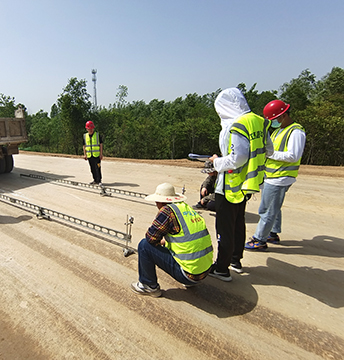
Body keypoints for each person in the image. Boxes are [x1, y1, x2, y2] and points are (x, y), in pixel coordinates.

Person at [208, 88, 274, 281]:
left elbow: (238, 158)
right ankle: (235, 260)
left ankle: (222, 268)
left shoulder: (237, 125)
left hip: (230, 184)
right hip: (248, 183)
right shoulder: (258, 121)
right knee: (238, 223)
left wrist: (216, 162)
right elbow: (268, 149)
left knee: (225, 227)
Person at [130, 183, 213, 297]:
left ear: (160, 201)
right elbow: (187, 238)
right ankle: (190, 279)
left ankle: (148, 285)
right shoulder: (186, 208)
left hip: (188, 275)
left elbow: (151, 238)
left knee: (144, 245)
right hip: (205, 270)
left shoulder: (167, 212)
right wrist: (165, 241)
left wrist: (159, 241)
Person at [245, 100, 306, 250]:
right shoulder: (280, 131)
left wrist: (270, 154)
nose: (273, 123)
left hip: (281, 177)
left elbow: (294, 155)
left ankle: (259, 239)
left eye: (275, 119)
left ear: (283, 115)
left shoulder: (296, 132)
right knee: (274, 207)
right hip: (272, 175)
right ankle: (272, 233)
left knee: (267, 209)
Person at [82, 120, 103, 186]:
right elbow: (84, 146)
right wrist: (85, 154)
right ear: (87, 129)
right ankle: (95, 180)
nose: (91, 130)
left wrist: (101, 154)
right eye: (89, 129)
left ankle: (99, 180)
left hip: (96, 155)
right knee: (92, 168)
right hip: (89, 155)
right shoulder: (85, 136)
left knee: (98, 167)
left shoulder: (97, 135)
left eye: (91, 128)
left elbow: (101, 145)